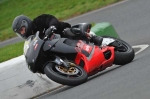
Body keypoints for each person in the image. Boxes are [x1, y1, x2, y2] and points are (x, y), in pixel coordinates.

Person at [12, 14, 103, 45]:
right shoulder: (31, 39)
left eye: (22, 30)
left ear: (26, 23)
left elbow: (52, 19)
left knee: (66, 32)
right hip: (55, 45)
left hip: (61, 32)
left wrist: (51, 27)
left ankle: (93, 38)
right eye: (20, 32)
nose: (22, 33)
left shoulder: (39, 21)